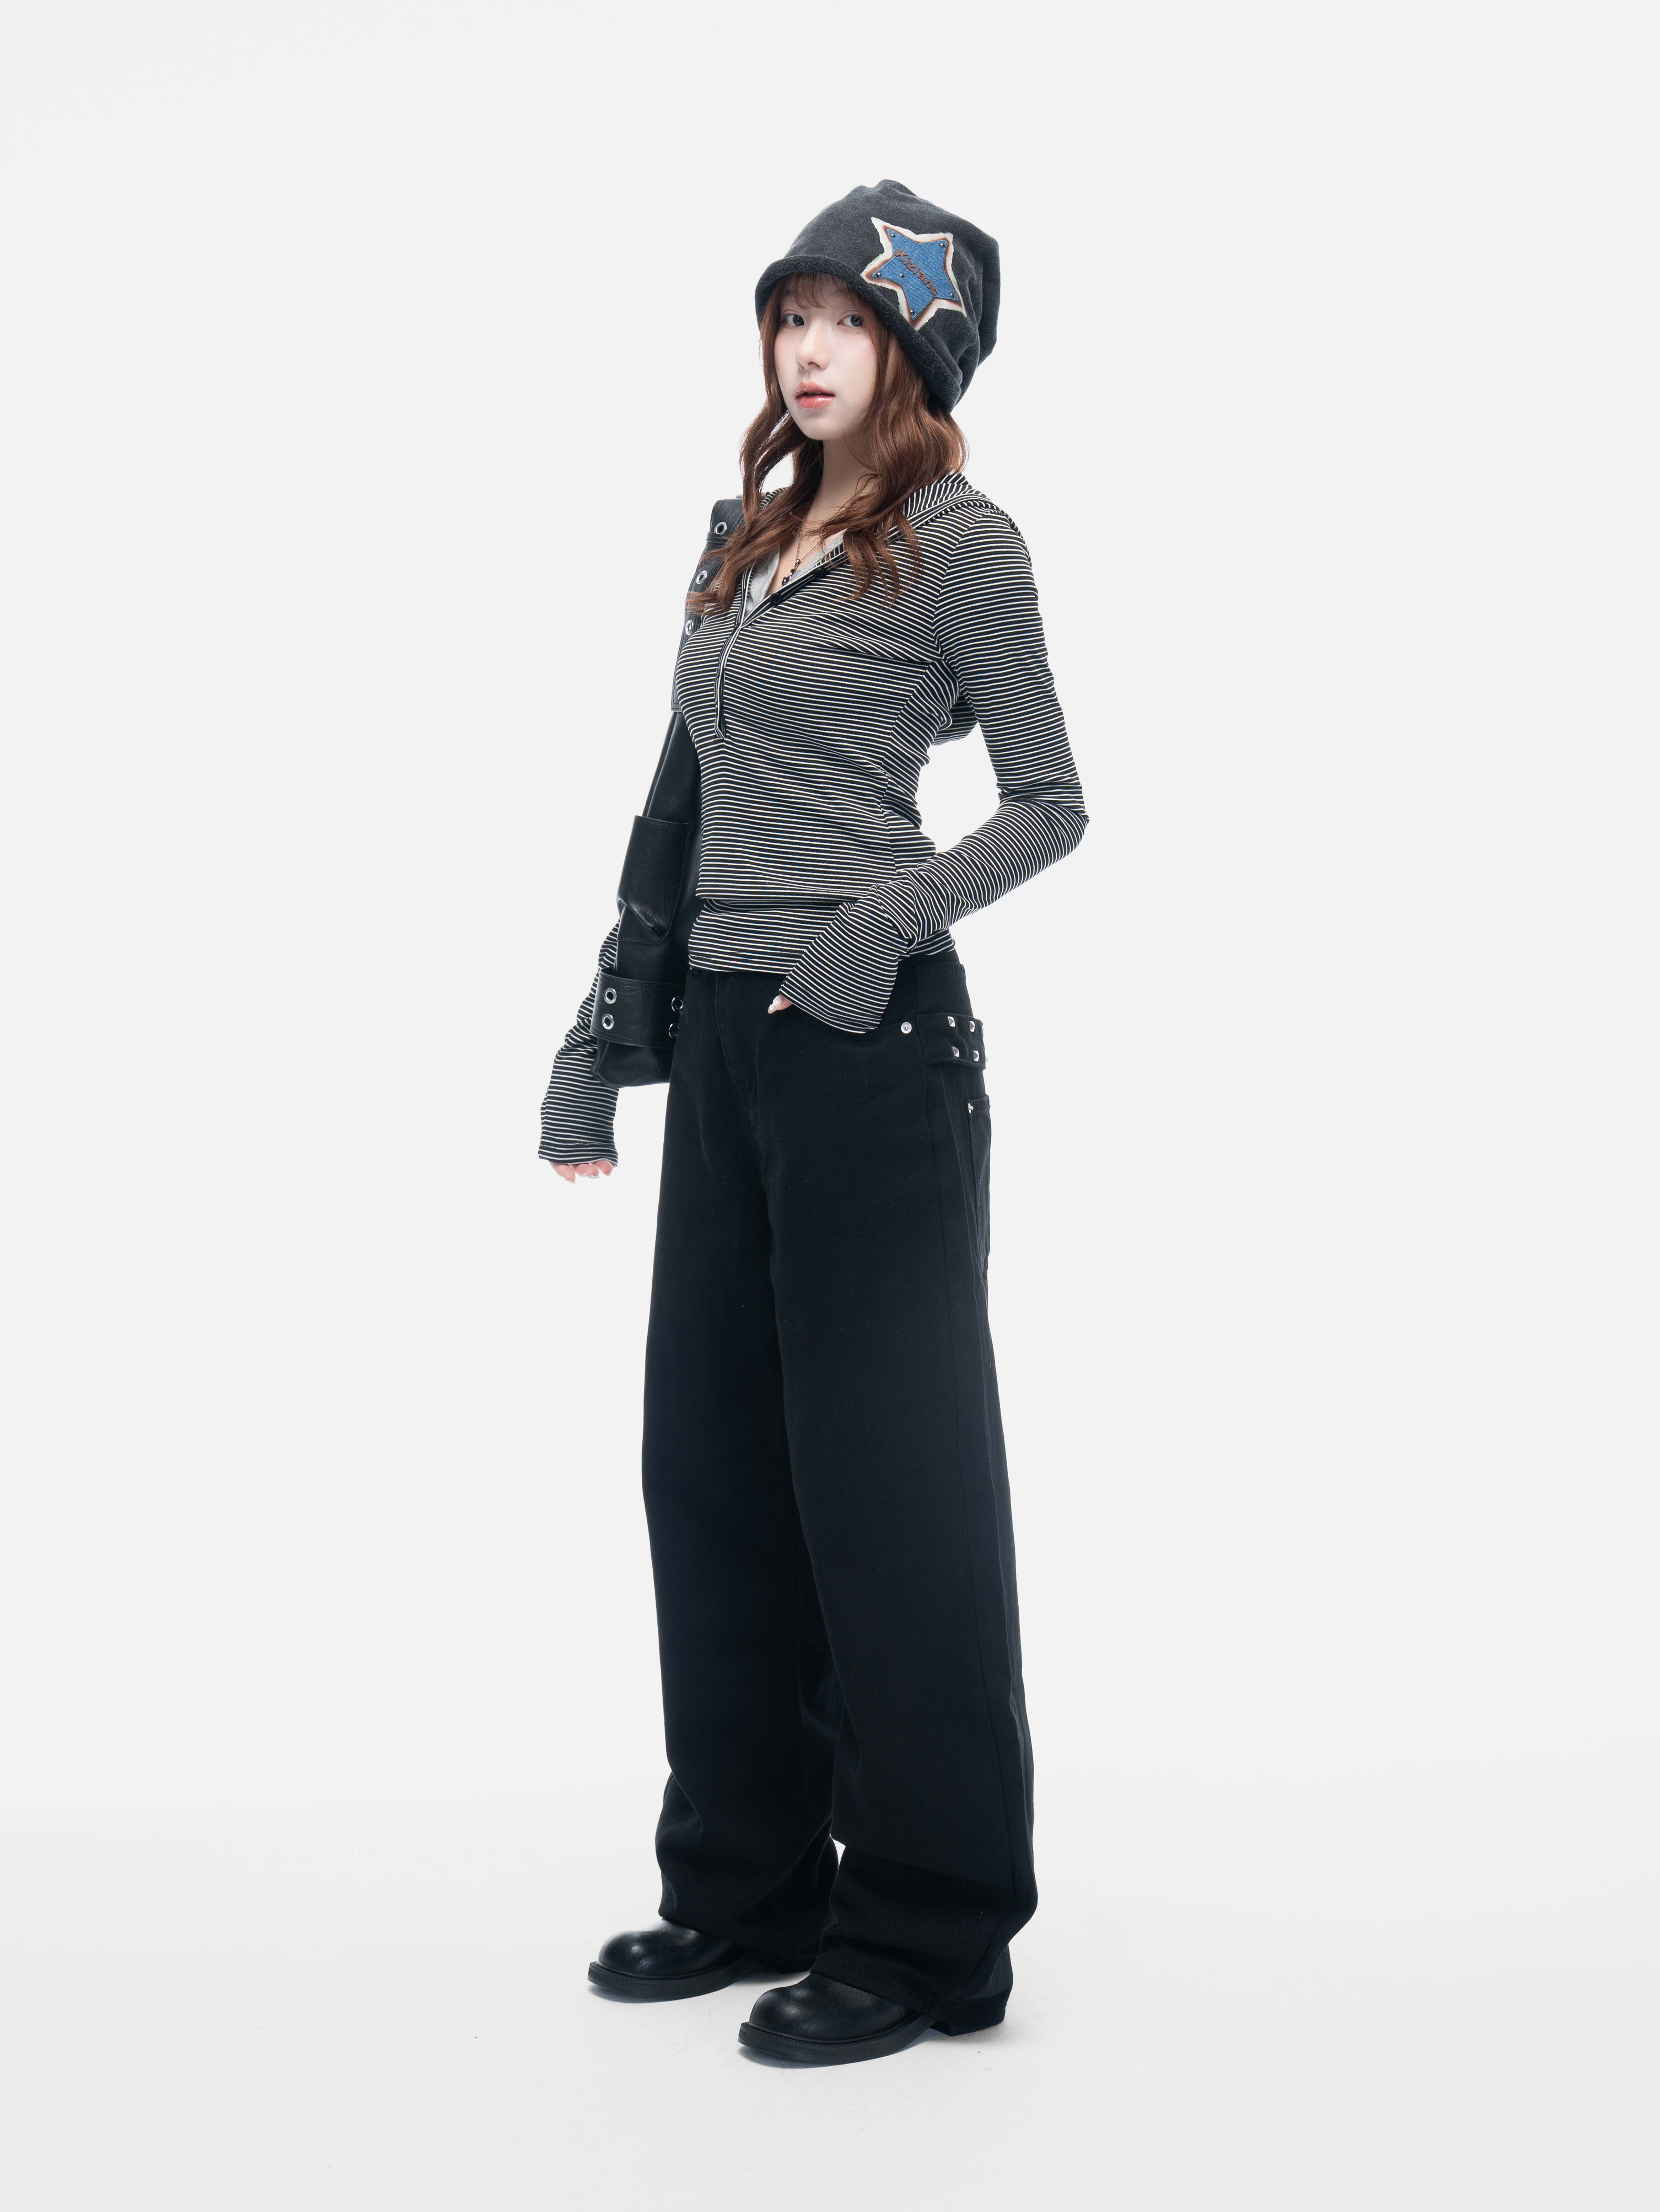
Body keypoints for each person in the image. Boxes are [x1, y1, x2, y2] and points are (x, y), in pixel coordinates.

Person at [538, 180, 1088, 2066]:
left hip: (870, 1047)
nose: (810, 347)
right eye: (792, 313)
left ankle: (930, 1931)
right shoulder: (747, 537)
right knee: (710, 1466)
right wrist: (606, 1030)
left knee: (890, 1490)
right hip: (726, 1041)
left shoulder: (965, 544)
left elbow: (1052, 801)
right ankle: (747, 1881)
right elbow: (676, 795)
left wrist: (874, 930)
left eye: (850, 319)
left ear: (917, 354)